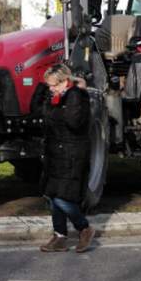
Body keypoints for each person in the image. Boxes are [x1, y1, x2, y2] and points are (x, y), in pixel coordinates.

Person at [38, 63, 96, 254]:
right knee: (53, 196)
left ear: (65, 82)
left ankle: (84, 228)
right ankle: (60, 236)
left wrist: (59, 104)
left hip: (72, 153)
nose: (51, 89)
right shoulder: (56, 97)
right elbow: (44, 115)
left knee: (62, 197)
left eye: (54, 85)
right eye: (49, 86)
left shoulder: (76, 96)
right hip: (56, 154)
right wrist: (51, 99)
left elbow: (74, 122)